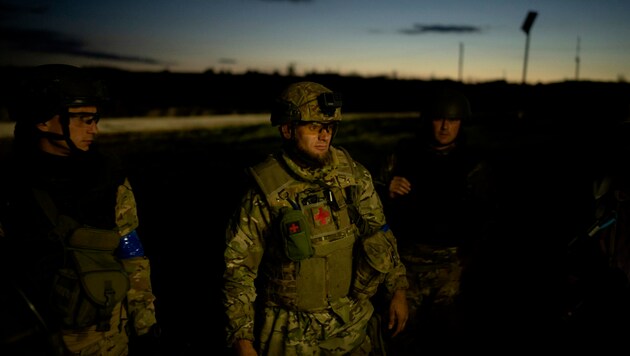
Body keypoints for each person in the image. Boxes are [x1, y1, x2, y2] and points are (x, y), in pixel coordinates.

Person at [222, 81, 409, 355]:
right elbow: (238, 270)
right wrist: (242, 339)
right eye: (313, 126)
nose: (324, 135)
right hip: (291, 332)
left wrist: (398, 290)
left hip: (353, 322)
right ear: (287, 129)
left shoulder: (352, 175)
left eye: (329, 127)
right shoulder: (266, 191)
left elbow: (380, 232)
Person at [0, 64, 160, 355]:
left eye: (95, 119)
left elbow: (132, 253)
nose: (94, 129)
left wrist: (145, 325)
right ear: (42, 120)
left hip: (105, 335)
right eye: (84, 120)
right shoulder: (10, 185)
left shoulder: (109, 179)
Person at [377, 87, 496, 354]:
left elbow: (489, 217)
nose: (445, 127)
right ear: (427, 120)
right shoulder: (402, 154)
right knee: (400, 337)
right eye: (439, 119)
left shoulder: (473, 164)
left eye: (452, 120)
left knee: (448, 337)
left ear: (461, 123)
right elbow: (368, 207)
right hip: (405, 265)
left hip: (452, 266)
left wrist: (473, 260)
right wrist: (386, 189)